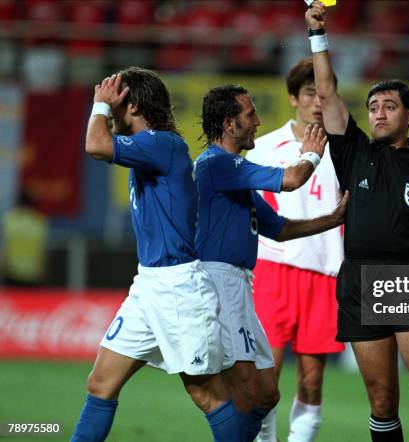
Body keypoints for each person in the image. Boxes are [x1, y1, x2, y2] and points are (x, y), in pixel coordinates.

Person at [305, 3, 409, 441]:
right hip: (360, 280)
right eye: (374, 106)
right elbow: (326, 94)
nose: (379, 113)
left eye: (389, 106)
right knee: (381, 400)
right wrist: (318, 36)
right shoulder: (354, 151)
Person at [71, 68, 247, 442]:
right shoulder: (147, 149)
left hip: (179, 288)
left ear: (132, 104)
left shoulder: (162, 144)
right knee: (101, 383)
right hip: (148, 285)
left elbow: (95, 145)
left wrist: (100, 106)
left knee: (206, 394)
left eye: (118, 101)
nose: (111, 110)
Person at [195, 84, 348, 441]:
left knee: (265, 392)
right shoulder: (218, 163)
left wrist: (334, 219)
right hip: (220, 285)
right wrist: (310, 155)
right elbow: (291, 179)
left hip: (241, 284)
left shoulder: (235, 173)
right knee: (246, 389)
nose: (258, 121)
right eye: (251, 115)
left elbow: (278, 228)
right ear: (231, 124)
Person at [245, 58, 344, 442]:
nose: (317, 101)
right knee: (266, 377)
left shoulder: (345, 151)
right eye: (308, 93)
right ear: (292, 98)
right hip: (273, 270)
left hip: (324, 274)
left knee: (313, 379)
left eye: (323, 92)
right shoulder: (266, 147)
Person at [0, 188, 48, 287]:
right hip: (33, 273)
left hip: (12, 272)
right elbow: (42, 251)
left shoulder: (9, 220)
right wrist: (43, 271)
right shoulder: (39, 222)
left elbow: (4, 247)